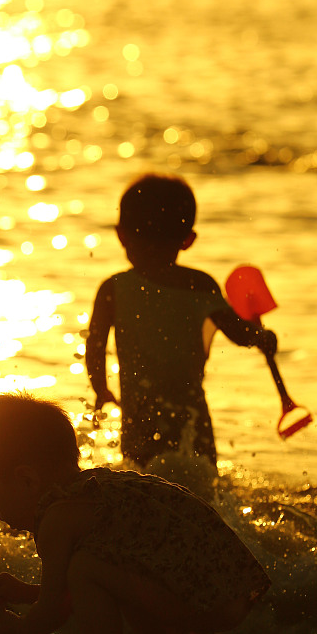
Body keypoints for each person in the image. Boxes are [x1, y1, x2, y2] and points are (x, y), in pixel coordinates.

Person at [0, 391, 270, 634]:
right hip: (224, 590)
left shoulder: (59, 516)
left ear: (27, 479)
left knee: (86, 568)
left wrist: (16, 628)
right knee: (113, 565)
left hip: (206, 598)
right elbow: (73, 593)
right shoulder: (95, 489)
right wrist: (29, 593)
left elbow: (55, 610)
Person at [86, 173, 278, 469]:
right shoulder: (199, 286)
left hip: (140, 418)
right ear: (188, 240)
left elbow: (95, 344)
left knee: (142, 483)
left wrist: (100, 388)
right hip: (192, 417)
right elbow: (240, 334)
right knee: (203, 489)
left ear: (121, 234)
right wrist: (262, 337)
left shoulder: (113, 289)